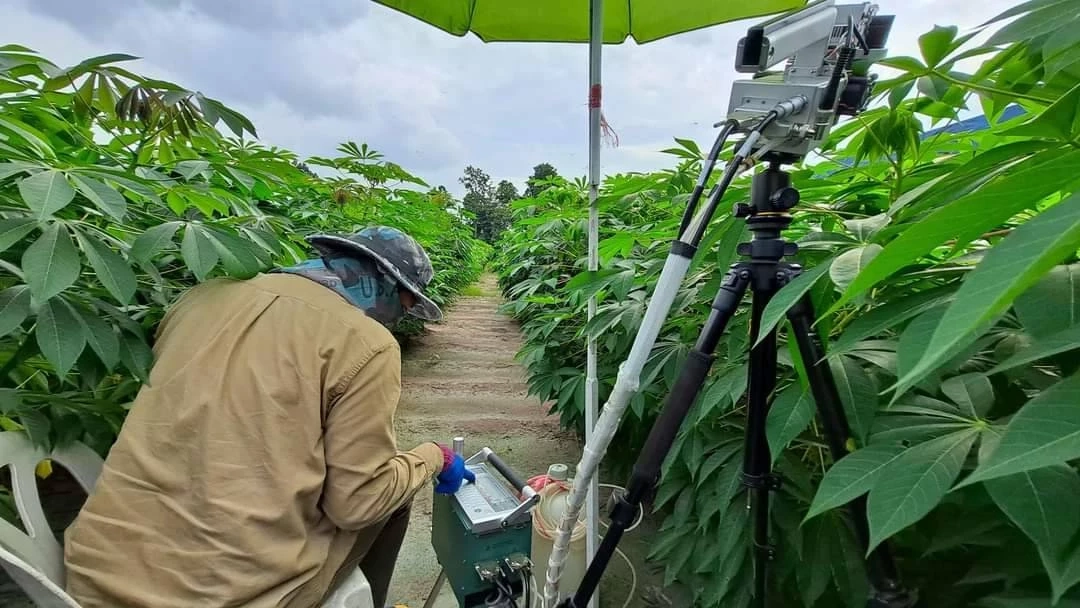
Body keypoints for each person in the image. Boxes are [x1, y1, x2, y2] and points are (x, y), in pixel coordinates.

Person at [63, 225, 475, 608]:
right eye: (404, 304)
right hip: (227, 593)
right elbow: (357, 504)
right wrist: (432, 457)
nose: (399, 316)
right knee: (392, 493)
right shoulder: (368, 343)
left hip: (93, 573)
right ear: (386, 282)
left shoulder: (201, 296)